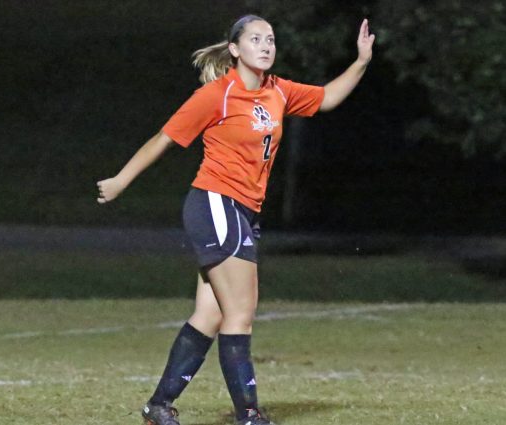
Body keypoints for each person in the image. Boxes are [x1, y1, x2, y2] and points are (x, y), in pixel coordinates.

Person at [97, 14, 375, 425]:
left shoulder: (277, 90)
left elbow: (327, 98)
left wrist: (361, 61)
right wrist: (121, 180)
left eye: (271, 39)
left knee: (210, 315)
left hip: (241, 210)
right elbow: (165, 138)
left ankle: (158, 406)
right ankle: (249, 415)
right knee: (240, 312)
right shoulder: (218, 95)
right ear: (235, 49)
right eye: (256, 39)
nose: (266, 45)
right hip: (216, 203)